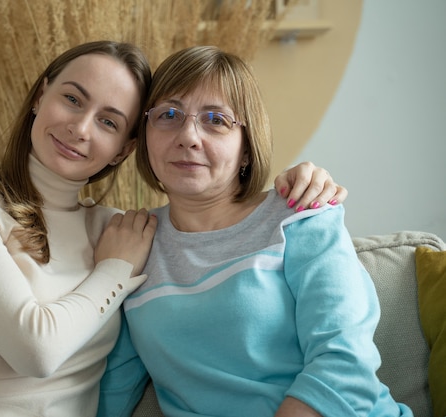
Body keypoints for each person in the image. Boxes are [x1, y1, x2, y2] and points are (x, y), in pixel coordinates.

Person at [0, 41, 344, 417]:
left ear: (125, 149)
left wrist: (306, 179)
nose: (81, 128)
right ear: (41, 95)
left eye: (108, 121)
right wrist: (115, 271)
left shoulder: (122, 230)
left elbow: (114, 382)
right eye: (72, 98)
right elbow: (36, 351)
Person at [97, 46, 412, 417]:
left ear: (246, 148)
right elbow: (111, 389)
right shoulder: (134, 242)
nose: (188, 136)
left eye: (215, 119)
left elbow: (345, 362)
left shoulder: (299, 215)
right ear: (144, 136)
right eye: (168, 114)